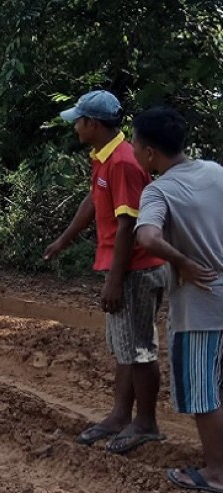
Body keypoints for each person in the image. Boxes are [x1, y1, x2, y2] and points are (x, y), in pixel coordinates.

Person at [44, 90, 167, 454]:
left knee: (140, 349)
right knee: (125, 348)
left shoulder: (124, 162)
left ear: (92, 124)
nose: (75, 127)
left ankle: (145, 423)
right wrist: (64, 240)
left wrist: (115, 279)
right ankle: (119, 416)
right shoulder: (104, 156)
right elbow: (93, 200)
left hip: (136, 271)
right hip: (124, 268)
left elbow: (129, 223)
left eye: (78, 121)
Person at [132, 106, 223, 492]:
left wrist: (183, 261)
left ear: (150, 152)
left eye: (135, 142)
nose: (133, 149)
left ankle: (217, 473)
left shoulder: (159, 190)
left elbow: (148, 238)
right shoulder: (217, 172)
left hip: (200, 307)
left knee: (203, 394)